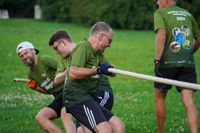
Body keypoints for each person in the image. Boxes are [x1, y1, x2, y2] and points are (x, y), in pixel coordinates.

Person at [50, 22, 125, 133]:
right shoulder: (83, 47)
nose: (109, 45)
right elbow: (73, 72)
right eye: (109, 41)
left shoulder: (98, 54)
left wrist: (110, 69)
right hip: (75, 97)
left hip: (88, 97)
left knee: (118, 125)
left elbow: (113, 71)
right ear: (100, 36)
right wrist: (97, 70)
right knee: (105, 130)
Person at [154, 0, 200, 133]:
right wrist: (190, 52)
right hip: (188, 63)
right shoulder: (187, 13)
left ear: (166, 1)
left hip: (166, 63)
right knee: (189, 101)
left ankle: (160, 131)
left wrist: (157, 60)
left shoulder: (160, 13)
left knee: (159, 97)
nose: (157, 2)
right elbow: (199, 39)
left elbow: (161, 36)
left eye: (159, 0)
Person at [16, 41, 75, 133]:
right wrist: (35, 87)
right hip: (59, 98)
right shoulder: (31, 75)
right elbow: (48, 91)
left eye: (26, 53)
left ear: (33, 51)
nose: (24, 57)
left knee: (65, 114)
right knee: (40, 117)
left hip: (70, 91)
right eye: (21, 56)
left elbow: (67, 70)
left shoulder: (44, 60)